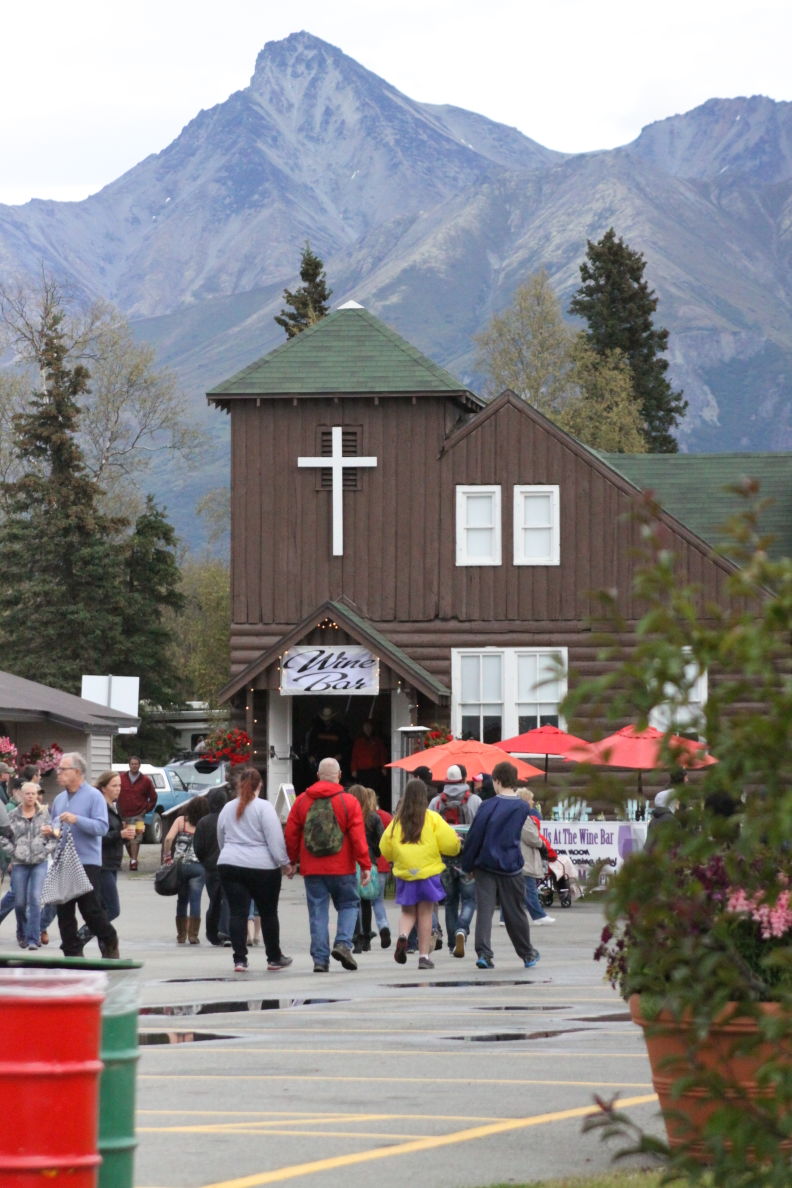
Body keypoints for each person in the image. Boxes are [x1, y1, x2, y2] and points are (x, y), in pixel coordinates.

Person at [284, 756, 371, 973]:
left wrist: (292, 861)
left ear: (317, 776)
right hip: (343, 868)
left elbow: (291, 834)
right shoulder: (349, 802)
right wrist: (365, 865)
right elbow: (358, 837)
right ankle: (343, 944)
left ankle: (320, 960)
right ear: (339, 776)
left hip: (313, 869)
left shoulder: (302, 801)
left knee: (318, 912)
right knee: (349, 904)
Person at [460, 760, 540, 971]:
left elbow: (475, 836)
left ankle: (484, 953)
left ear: (496, 781)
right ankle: (527, 953)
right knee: (515, 911)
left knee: (484, 912)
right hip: (511, 865)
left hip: (485, 865)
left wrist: (467, 864)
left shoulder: (487, 805)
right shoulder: (522, 807)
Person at [215, 766, 293, 973]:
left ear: (239, 785)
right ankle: (274, 957)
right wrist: (284, 863)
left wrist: (228, 855)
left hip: (230, 864)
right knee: (268, 913)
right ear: (260, 785)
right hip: (262, 867)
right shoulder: (264, 808)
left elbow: (220, 837)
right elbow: (274, 839)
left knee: (237, 913)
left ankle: (239, 959)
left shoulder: (227, 808)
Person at [379, 777, 461, 970]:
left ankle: (403, 936)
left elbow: (384, 846)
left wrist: (395, 858)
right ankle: (424, 956)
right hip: (428, 871)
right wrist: (457, 844)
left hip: (405, 871)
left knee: (407, 911)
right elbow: (450, 844)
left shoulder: (397, 821)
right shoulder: (432, 818)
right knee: (425, 913)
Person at [46, 752, 120, 959]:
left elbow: (102, 827)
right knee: (64, 909)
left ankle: (109, 938)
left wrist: (77, 819)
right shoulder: (60, 799)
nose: (58, 773)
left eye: (63, 769)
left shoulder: (94, 796)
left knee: (90, 908)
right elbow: (56, 825)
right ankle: (72, 952)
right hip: (63, 860)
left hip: (87, 860)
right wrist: (51, 831)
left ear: (77, 772)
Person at [77, 770, 137, 948]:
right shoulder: (100, 806)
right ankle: (80, 937)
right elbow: (97, 836)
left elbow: (113, 835)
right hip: (100, 863)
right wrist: (119, 834)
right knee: (112, 909)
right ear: (103, 788)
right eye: (114, 786)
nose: (118, 789)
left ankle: (105, 946)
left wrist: (125, 836)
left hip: (112, 862)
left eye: (120, 785)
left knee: (103, 908)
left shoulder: (113, 806)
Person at [428, 764, 482, 958]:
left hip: (444, 860)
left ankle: (452, 944)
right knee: (469, 899)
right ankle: (462, 929)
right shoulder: (474, 800)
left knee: (450, 901)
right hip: (468, 859)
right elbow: (480, 829)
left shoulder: (435, 803)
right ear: (463, 779)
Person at [8, 781, 53, 949]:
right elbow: (3, 836)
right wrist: (13, 852)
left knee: (35, 899)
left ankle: (34, 938)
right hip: (20, 863)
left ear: (37, 796)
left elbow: (53, 835)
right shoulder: (13, 814)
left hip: (39, 862)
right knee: (20, 902)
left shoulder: (44, 814)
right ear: (21, 794)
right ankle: (22, 932)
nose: (30, 797)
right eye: (27, 793)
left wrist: (45, 850)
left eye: (33, 794)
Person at [162, 796, 209, 944]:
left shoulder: (181, 821)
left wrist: (167, 856)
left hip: (181, 865)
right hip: (198, 866)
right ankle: (193, 935)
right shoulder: (205, 823)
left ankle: (181, 935)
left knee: (182, 900)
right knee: (195, 900)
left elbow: (169, 838)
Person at [193, 786, 231, 945]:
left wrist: (205, 861)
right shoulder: (230, 819)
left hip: (211, 867)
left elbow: (198, 847)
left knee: (214, 899)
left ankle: (213, 931)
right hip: (229, 863)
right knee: (228, 898)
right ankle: (226, 930)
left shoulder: (204, 822)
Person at [349, 784, 385, 953]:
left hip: (350, 861)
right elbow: (381, 842)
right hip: (368, 861)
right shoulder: (373, 817)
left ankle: (355, 936)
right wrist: (376, 854)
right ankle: (366, 938)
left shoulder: (347, 814)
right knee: (366, 901)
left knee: (352, 901)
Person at [517, 787, 555, 926]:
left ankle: (504, 918)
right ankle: (538, 915)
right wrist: (542, 844)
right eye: (530, 799)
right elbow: (532, 837)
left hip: (519, 856)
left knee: (514, 891)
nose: (533, 802)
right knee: (530, 888)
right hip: (525, 856)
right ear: (525, 801)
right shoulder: (524, 818)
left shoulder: (517, 816)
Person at [118, 757, 157, 870]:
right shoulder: (121, 778)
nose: (134, 766)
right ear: (129, 765)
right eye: (132, 764)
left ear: (139, 765)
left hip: (139, 814)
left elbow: (153, 797)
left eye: (136, 764)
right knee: (127, 839)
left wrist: (146, 809)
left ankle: (133, 861)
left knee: (137, 836)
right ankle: (132, 858)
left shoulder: (146, 781)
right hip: (123, 814)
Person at [305, 706, 351, 777]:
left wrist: (341, 755)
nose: (326, 720)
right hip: (319, 759)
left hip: (335, 760)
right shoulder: (316, 728)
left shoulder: (339, 728)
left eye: (328, 718)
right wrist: (311, 755)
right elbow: (311, 743)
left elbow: (346, 744)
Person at [646, 772, 685, 850]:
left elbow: (649, 844)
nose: (678, 802)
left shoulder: (653, 820)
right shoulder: (672, 821)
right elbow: (677, 845)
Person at [350, 721, 388, 798]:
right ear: (363, 729)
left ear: (372, 728)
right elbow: (354, 756)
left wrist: (384, 768)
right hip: (362, 771)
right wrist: (353, 769)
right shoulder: (358, 741)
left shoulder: (377, 741)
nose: (367, 729)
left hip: (374, 770)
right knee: (363, 791)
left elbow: (383, 754)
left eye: (369, 727)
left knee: (374, 791)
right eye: (365, 727)